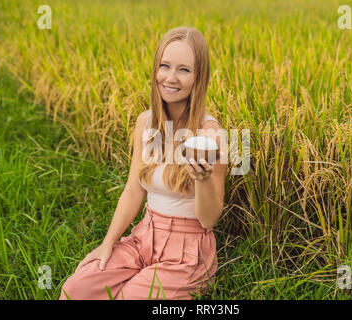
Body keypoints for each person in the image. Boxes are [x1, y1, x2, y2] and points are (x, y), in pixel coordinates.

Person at [59, 26, 227, 300]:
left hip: (186, 252)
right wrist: (108, 243)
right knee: (74, 291)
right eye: (165, 66)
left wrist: (203, 179)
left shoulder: (210, 136)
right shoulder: (145, 123)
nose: (170, 78)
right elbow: (134, 189)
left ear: (199, 77)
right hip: (144, 237)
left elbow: (209, 219)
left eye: (184, 70)